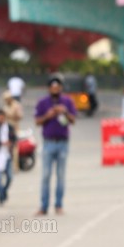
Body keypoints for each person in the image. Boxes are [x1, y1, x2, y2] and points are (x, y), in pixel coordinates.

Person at [33, 73, 76, 215]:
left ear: (61, 88)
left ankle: (59, 204)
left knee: (61, 175)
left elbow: (73, 120)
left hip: (63, 143)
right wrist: (48, 115)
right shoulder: (43, 103)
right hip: (48, 143)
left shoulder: (67, 102)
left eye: (58, 87)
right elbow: (37, 121)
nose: (55, 89)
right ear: (49, 88)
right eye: (53, 87)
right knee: (45, 175)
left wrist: (65, 112)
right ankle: (44, 206)